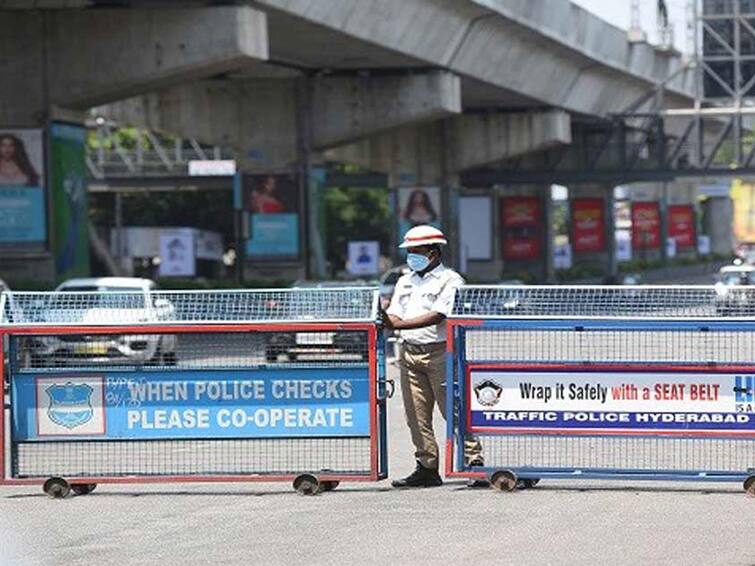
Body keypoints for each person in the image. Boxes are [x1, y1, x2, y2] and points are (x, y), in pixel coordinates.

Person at [382, 225, 483, 488]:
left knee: (454, 409)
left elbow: (438, 315)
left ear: (433, 253)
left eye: (416, 251)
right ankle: (427, 466)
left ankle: (475, 462)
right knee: (416, 415)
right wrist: (385, 318)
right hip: (409, 352)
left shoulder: (451, 280)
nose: (411, 256)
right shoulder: (405, 280)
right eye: (409, 251)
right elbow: (395, 314)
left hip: (441, 352)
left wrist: (397, 326)